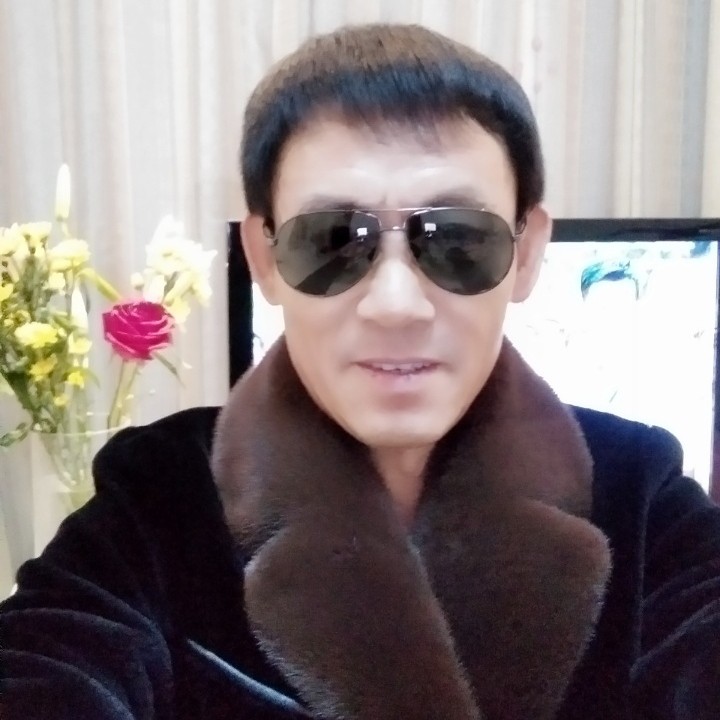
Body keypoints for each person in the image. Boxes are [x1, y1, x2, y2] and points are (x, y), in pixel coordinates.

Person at [2, 22, 719, 720]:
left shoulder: (639, 490)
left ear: (527, 254)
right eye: (333, 240)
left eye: (458, 238)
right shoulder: (159, 497)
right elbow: (50, 663)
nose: (395, 304)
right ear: (264, 259)